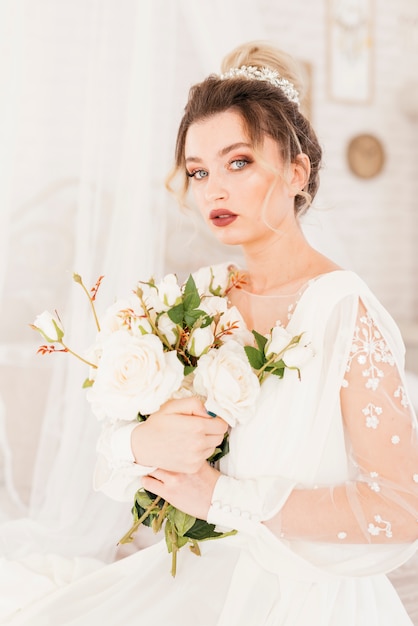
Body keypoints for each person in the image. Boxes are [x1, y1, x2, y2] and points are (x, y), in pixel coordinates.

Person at [3, 40, 418, 625]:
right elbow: (114, 456)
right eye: (198, 172)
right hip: (202, 577)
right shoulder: (197, 298)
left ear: (297, 171)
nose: (213, 190)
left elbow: (399, 508)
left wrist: (220, 496)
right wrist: (140, 446)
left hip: (301, 597)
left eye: (239, 162)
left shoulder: (343, 308)